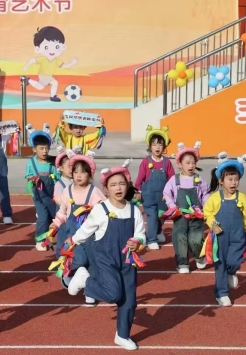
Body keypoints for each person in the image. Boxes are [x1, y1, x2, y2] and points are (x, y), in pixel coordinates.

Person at [66, 160, 144, 351]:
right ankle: (85, 280)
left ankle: (122, 335)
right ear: (106, 189)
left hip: (128, 261)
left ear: (128, 186)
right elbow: (86, 229)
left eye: (122, 184)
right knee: (113, 293)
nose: (118, 188)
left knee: (129, 301)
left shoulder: (134, 210)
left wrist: (138, 242)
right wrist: (73, 240)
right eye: (113, 185)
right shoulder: (101, 210)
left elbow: (141, 234)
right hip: (106, 259)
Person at [203, 153, 246, 307]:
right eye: (230, 179)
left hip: (238, 235)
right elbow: (208, 213)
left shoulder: (242, 198)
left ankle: (231, 272)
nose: (234, 183)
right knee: (220, 265)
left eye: (236, 179)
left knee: (234, 260)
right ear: (221, 181)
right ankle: (222, 293)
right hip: (220, 237)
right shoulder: (215, 198)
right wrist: (213, 224)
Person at [51, 149, 104, 298]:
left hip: (90, 235)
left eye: (83, 172)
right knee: (77, 259)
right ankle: (71, 274)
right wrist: (55, 224)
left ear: (90, 174)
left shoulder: (94, 192)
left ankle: (90, 292)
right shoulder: (67, 191)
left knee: (92, 262)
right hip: (72, 235)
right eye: (75, 172)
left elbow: (104, 210)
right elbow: (62, 212)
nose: (79, 175)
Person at [162, 141, 209, 274]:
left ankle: (199, 256)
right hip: (180, 215)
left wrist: (205, 206)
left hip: (196, 215)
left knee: (195, 238)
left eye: (193, 163)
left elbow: (206, 193)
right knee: (180, 237)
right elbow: (167, 193)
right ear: (179, 164)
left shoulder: (199, 179)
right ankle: (182, 263)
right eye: (187, 163)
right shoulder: (174, 180)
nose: (191, 166)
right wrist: (172, 206)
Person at [134, 126, 174, 250]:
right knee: (151, 217)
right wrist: (138, 190)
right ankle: (151, 239)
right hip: (149, 196)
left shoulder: (167, 162)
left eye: (160, 144)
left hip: (163, 197)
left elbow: (172, 179)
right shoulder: (146, 162)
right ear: (150, 146)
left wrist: (173, 192)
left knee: (161, 216)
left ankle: (158, 231)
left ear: (164, 147)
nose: (157, 147)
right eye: (154, 144)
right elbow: (140, 178)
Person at [25, 123, 58, 250]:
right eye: (41, 148)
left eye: (46, 148)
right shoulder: (31, 162)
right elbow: (28, 176)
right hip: (38, 196)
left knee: (55, 216)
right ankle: (40, 239)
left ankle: (53, 237)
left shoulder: (52, 163)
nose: (44, 151)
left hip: (52, 196)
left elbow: (58, 178)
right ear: (34, 149)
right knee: (43, 217)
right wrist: (33, 179)